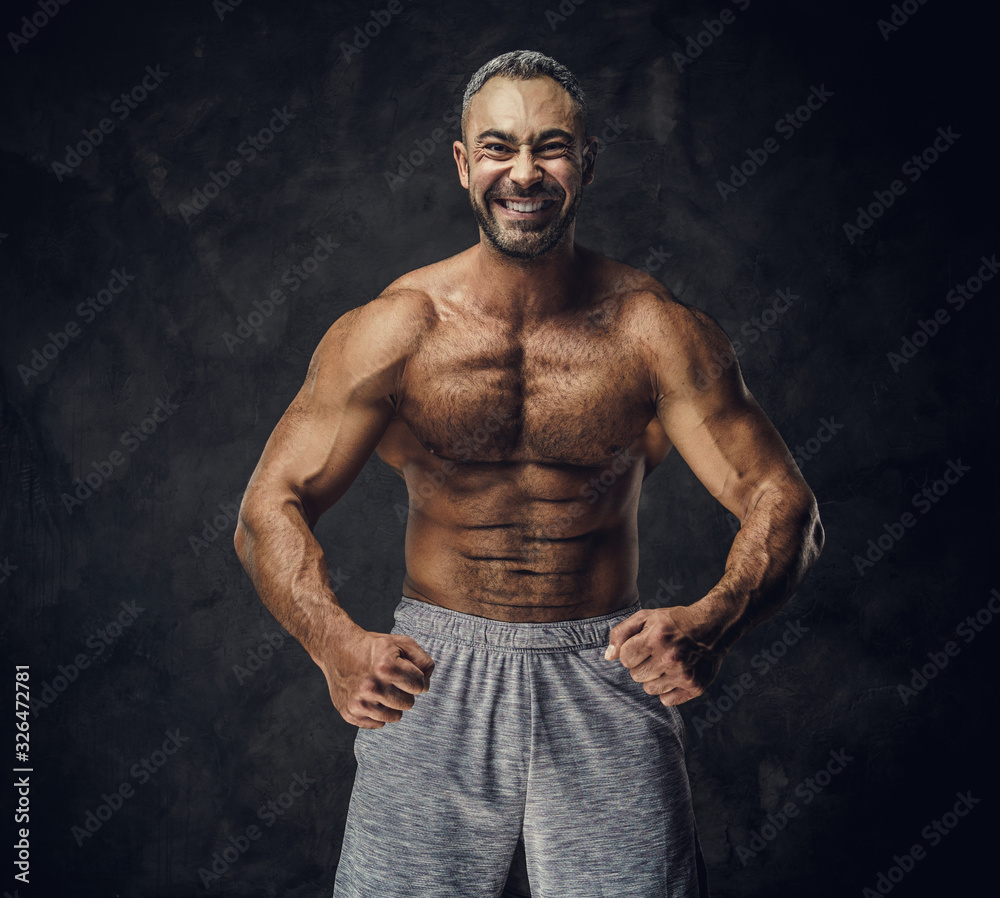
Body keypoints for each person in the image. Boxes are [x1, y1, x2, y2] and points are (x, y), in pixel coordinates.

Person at [234, 50, 824, 898]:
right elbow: (267, 507)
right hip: (429, 674)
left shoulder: (652, 332)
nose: (524, 171)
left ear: (586, 163)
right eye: (499, 147)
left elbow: (784, 501)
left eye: (550, 147)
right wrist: (334, 644)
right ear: (463, 162)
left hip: (604, 668)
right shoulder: (397, 329)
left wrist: (713, 622)